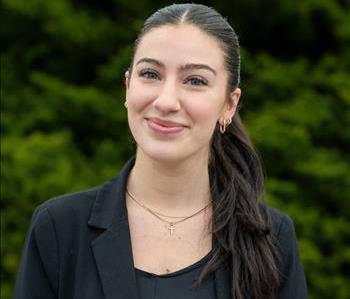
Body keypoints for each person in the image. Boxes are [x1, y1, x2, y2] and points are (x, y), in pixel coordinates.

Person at [14, 3, 307, 299]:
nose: (166, 101)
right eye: (151, 74)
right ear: (128, 86)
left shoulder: (272, 238)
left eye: (195, 81)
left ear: (229, 104)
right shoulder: (58, 228)